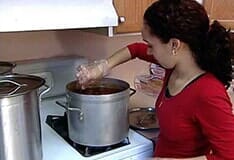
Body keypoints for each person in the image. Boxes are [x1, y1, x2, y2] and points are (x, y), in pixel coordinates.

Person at [76, 0, 234, 159]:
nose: (149, 51)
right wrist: (102, 67)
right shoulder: (174, 66)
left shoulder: (209, 93)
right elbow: (136, 49)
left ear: (174, 45)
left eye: (150, 45)